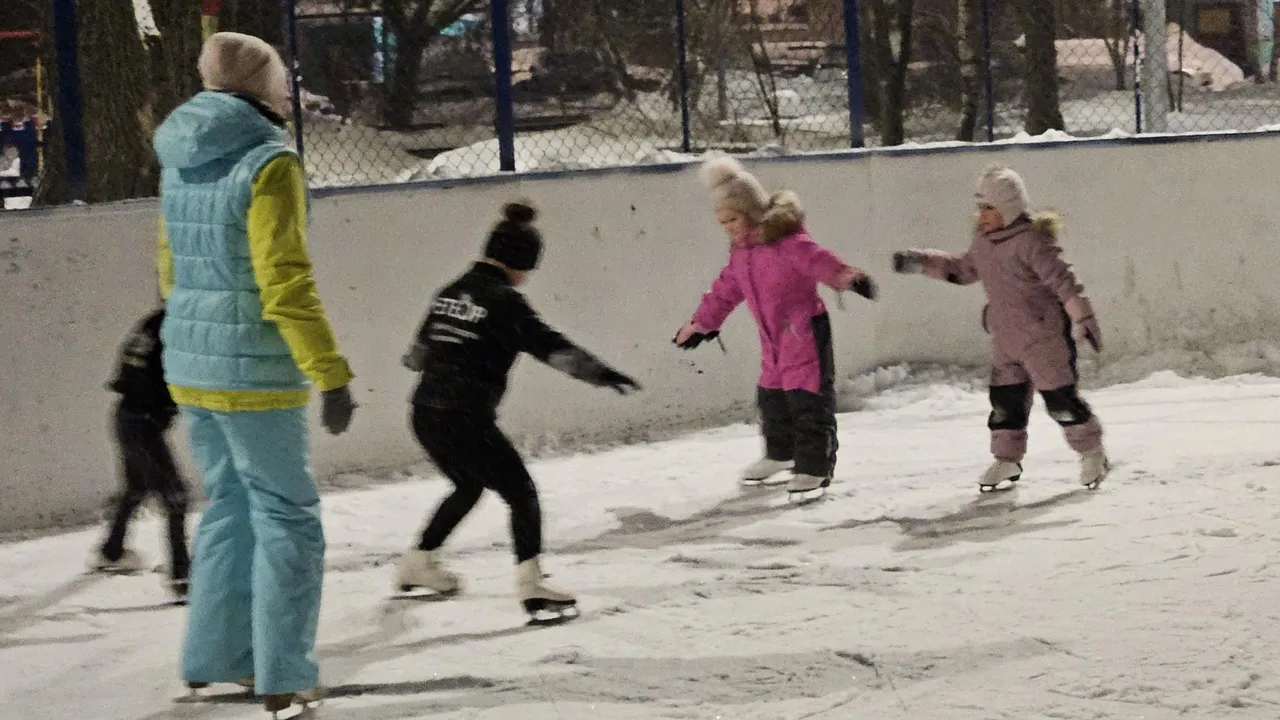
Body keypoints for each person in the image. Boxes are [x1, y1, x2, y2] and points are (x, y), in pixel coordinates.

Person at [152, 31, 357, 716]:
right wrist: (329, 371)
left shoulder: (179, 156)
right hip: (254, 371)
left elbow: (169, 266)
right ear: (262, 86)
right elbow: (286, 281)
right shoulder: (272, 162)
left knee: (230, 509)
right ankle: (284, 674)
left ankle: (216, 657)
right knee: (287, 518)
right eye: (281, 78)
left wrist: (188, 339)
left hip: (190, 362)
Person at [394, 199, 640, 624]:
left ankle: (419, 561)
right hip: (464, 415)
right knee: (521, 494)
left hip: (424, 412)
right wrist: (603, 375)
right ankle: (532, 585)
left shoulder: (450, 291)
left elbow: (415, 358)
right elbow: (553, 349)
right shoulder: (506, 302)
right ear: (521, 263)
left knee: (468, 485)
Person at [891, 164, 1109, 492]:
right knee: (1005, 403)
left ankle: (1092, 451)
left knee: (1060, 401)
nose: (982, 215)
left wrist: (1083, 318)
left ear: (1008, 208)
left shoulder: (1031, 242)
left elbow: (1064, 282)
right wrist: (922, 261)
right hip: (1005, 338)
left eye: (989, 208)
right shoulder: (984, 242)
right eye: (979, 208)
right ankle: (1007, 459)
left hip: (1043, 338)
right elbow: (963, 270)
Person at [672, 157, 877, 501]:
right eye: (721, 222)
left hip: (805, 332)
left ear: (752, 212)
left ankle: (814, 466)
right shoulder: (742, 254)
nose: (727, 228)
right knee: (772, 397)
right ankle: (780, 454)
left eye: (732, 219)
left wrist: (849, 278)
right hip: (773, 339)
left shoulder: (789, 244)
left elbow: (820, 261)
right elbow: (725, 290)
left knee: (808, 398)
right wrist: (701, 324)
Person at [89, 307, 191, 604]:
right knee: (175, 496)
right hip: (144, 422)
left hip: (125, 416)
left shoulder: (153, 321)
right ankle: (183, 579)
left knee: (138, 486)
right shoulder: (177, 326)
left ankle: (112, 551)